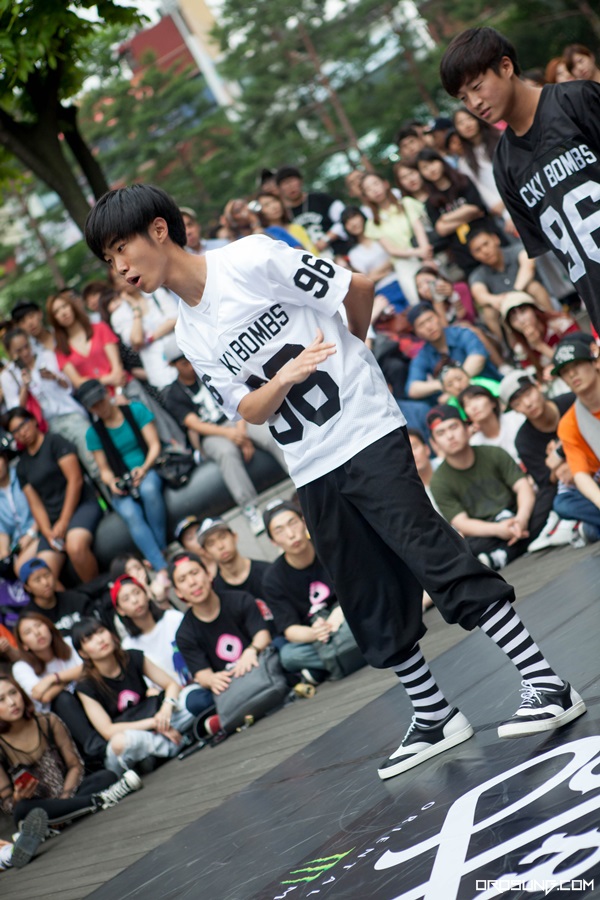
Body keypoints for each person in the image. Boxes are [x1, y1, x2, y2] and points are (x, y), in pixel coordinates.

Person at [85, 183, 586, 782]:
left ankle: (546, 682)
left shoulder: (248, 258)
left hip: (364, 429)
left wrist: (354, 353)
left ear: (158, 230)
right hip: (309, 464)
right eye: (108, 259)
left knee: (431, 553)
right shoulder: (188, 332)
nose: (119, 268)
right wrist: (284, 378)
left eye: (121, 248)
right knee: (365, 590)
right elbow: (248, 410)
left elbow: (359, 288)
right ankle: (434, 714)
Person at [439, 27, 600, 332]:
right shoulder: (504, 166)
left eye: (477, 87)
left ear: (505, 66)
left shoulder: (577, 100)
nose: (474, 103)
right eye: (463, 98)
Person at [164, 344, 287, 535]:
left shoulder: (210, 371)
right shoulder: (173, 393)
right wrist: (230, 434)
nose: (189, 366)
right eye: (183, 363)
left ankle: (298, 475)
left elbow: (240, 397)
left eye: (189, 360)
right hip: (211, 434)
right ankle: (250, 508)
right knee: (226, 453)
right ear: (173, 365)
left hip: (239, 419)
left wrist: (240, 432)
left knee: (269, 434)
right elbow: (194, 424)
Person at [0, 673, 142, 832]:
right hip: (39, 807)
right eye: (2, 700)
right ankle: (99, 800)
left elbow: (75, 765)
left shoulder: (48, 721)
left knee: (106, 776)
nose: (12, 702)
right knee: (22, 810)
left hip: (70, 793)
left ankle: (62, 818)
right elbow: (7, 802)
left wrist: (64, 799)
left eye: (13, 693)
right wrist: (18, 797)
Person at [428, 404, 545, 569]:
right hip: (487, 531)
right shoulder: (439, 481)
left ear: (467, 428)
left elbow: (522, 486)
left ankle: (501, 555)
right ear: (434, 444)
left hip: (515, 514)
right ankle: (526, 542)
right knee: (462, 548)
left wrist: (522, 520)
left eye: (453, 427)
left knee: (547, 494)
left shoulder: (493, 453)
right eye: (441, 433)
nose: (450, 436)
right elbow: (462, 523)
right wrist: (498, 529)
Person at [73, 617, 195, 775]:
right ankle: (177, 744)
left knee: (192, 695)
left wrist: (166, 708)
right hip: (131, 733)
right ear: (83, 653)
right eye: (89, 639)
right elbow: (108, 730)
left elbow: (171, 684)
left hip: (155, 716)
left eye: (101, 631)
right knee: (120, 743)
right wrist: (154, 723)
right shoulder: (86, 686)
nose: (100, 640)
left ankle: (155, 754)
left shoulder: (133, 657)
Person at [262, 500, 363, 682]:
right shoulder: (272, 578)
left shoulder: (329, 546)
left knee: (365, 614)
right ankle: (354, 651)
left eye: (293, 523)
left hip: (347, 615)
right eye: (279, 531)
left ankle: (329, 665)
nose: (291, 534)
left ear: (304, 522)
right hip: (317, 636)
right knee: (289, 656)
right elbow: (290, 629)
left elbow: (357, 588)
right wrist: (316, 633)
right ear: (273, 541)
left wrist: (340, 613)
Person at [76, 379, 169, 575]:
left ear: (107, 394)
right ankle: (161, 565)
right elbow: (104, 470)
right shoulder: (93, 434)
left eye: (100, 401)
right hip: (123, 481)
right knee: (130, 513)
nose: (100, 408)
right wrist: (112, 483)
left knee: (149, 490)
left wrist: (143, 468)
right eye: (94, 406)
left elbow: (154, 445)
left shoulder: (135, 410)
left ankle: (159, 553)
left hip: (148, 468)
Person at [170, 551, 272, 709]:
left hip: (256, 662)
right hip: (228, 681)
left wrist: (252, 650)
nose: (192, 582)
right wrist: (212, 679)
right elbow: (201, 673)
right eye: (182, 580)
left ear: (209, 574)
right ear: (178, 592)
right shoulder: (184, 633)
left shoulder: (240, 599)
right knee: (195, 700)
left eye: (195, 573)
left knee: (281, 650)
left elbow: (263, 635)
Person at [9, 407, 101, 582]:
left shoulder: (55, 442)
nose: (22, 432)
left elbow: (75, 481)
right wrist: (48, 532)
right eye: (15, 431)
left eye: (23, 425)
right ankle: (78, 597)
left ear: (33, 421)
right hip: (52, 521)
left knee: (75, 547)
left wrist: (64, 522)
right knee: (41, 572)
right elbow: (35, 504)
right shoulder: (22, 466)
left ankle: (98, 588)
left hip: (81, 505)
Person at [111, 575, 214, 718]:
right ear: (120, 610)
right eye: (126, 599)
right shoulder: (128, 646)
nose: (134, 600)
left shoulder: (172, 618)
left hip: (200, 681)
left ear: (146, 594)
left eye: (137, 593)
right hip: (169, 701)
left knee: (200, 701)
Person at [1, 328, 98, 477]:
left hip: (69, 416)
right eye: (19, 350)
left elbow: (70, 388)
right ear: (10, 353)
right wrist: (24, 387)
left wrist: (54, 377)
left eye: (26, 346)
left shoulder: (46, 356)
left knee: (94, 463)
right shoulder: (8, 376)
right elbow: (16, 414)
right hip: (42, 430)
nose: (25, 353)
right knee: (71, 474)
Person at [500, 368, 578, 551]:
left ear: (538, 386)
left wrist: (562, 451)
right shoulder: (524, 440)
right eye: (518, 403)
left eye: (528, 393)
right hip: (568, 484)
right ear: (515, 410)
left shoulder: (571, 401)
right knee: (561, 504)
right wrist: (558, 465)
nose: (527, 403)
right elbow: (547, 480)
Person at [417, 148, 503, 277]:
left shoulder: (463, 181)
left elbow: (475, 208)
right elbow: (441, 230)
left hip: (488, 240)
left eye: (432, 162)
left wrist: (445, 218)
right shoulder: (430, 202)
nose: (431, 169)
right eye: (425, 167)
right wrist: (467, 214)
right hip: (464, 254)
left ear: (440, 161)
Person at [550, 338, 600, 538]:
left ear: (594, 362)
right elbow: (580, 475)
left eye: (577, 364)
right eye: (565, 371)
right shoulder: (569, 423)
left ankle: (591, 529)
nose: (572, 374)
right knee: (563, 503)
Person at [361, 172, 432, 305]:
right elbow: (391, 250)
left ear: (385, 184)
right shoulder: (372, 224)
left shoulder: (406, 203)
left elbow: (418, 228)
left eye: (375, 184)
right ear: (366, 196)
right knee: (417, 301)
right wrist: (418, 252)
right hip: (404, 265)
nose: (374, 190)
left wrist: (425, 253)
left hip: (427, 255)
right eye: (368, 189)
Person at [468, 228, 553, 338]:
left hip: (530, 303)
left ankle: (554, 325)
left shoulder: (516, 250)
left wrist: (514, 293)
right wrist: (495, 300)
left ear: (495, 239)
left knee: (534, 287)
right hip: (506, 313)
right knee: (488, 312)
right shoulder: (478, 275)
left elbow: (528, 267)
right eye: (478, 250)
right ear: (473, 255)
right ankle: (510, 348)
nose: (485, 251)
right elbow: (479, 295)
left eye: (486, 244)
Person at [406, 302, 499, 401]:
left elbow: (478, 357)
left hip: (489, 388)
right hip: (459, 401)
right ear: (416, 333)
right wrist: (444, 385)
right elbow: (412, 389)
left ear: (439, 317)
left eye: (430, 319)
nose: (429, 327)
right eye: (421, 325)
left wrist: (456, 384)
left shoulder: (461, 333)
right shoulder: (424, 354)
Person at [48, 292, 127, 398]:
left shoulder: (100, 328)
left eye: (64, 306)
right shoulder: (60, 350)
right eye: (56, 311)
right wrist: (108, 379)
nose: (63, 313)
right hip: (97, 399)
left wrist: (118, 392)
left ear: (72, 306)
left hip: (124, 387)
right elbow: (78, 382)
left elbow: (117, 366)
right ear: (54, 319)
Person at [342, 206, 409, 322]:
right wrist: (388, 268)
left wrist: (375, 273)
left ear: (362, 217)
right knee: (401, 322)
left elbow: (395, 254)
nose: (353, 223)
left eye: (354, 217)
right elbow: (366, 280)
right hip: (383, 292)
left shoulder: (380, 236)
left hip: (403, 278)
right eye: (347, 222)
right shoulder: (353, 254)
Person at [109, 281, 179, 392]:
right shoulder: (119, 315)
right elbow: (137, 339)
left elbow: (175, 318)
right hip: (159, 373)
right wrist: (136, 308)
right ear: (115, 285)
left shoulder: (156, 293)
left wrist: (149, 339)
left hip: (182, 356)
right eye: (119, 277)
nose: (126, 279)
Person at [501, 292, 580, 378]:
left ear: (535, 310)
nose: (521, 320)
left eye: (523, 311)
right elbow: (535, 377)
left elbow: (577, 356)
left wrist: (539, 345)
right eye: (514, 318)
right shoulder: (520, 349)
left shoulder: (562, 323)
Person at [275, 165, 347, 255]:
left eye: (292, 180)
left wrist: (327, 238)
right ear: (279, 189)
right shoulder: (284, 214)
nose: (290, 186)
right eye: (285, 183)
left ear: (300, 181)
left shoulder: (321, 199)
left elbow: (345, 218)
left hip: (338, 252)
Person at [18, 558, 92, 636]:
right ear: (27, 587)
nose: (45, 582)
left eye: (47, 575)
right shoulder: (29, 618)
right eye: (37, 580)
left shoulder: (75, 599)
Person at [0, 439, 41, 576]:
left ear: (5, 458)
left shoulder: (22, 473)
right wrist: (4, 554)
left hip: (41, 531)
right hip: (18, 545)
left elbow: (41, 506)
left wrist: (30, 534)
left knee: (22, 569)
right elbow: (3, 531)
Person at [459, 383, 525, 464]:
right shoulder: (475, 444)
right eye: (467, 404)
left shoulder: (517, 418)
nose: (473, 407)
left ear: (493, 402)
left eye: (477, 399)